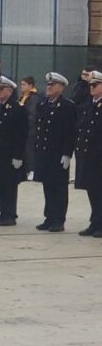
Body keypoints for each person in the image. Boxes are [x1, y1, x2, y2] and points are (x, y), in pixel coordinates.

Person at [32, 72, 76, 233]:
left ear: (61, 87)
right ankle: (49, 216)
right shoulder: (43, 104)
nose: (49, 87)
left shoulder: (67, 106)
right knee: (48, 186)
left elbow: (70, 132)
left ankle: (58, 219)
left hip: (58, 154)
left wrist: (67, 153)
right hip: (45, 153)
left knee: (59, 188)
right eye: (48, 85)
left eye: (53, 85)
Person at [0, 76, 27, 226]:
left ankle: (10, 214)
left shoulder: (17, 109)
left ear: (9, 90)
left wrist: (18, 156)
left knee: (8, 185)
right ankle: (3, 211)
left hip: (9, 154)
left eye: (1, 89)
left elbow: (21, 134)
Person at [74, 70, 102, 238]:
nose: (91, 88)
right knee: (92, 191)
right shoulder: (90, 105)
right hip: (89, 156)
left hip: (99, 157)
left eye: (95, 85)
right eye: (90, 85)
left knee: (99, 191)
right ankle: (95, 221)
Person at [18, 76, 41, 181]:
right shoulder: (24, 96)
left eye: (24, 84)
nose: (21, 87)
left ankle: (32, 170)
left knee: (30, 150)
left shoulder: (34, 98)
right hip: (24, 129)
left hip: (31, 129)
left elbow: (32, 114)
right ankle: (27, 169)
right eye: (21, 84)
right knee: (25, 150)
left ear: (30, 86)